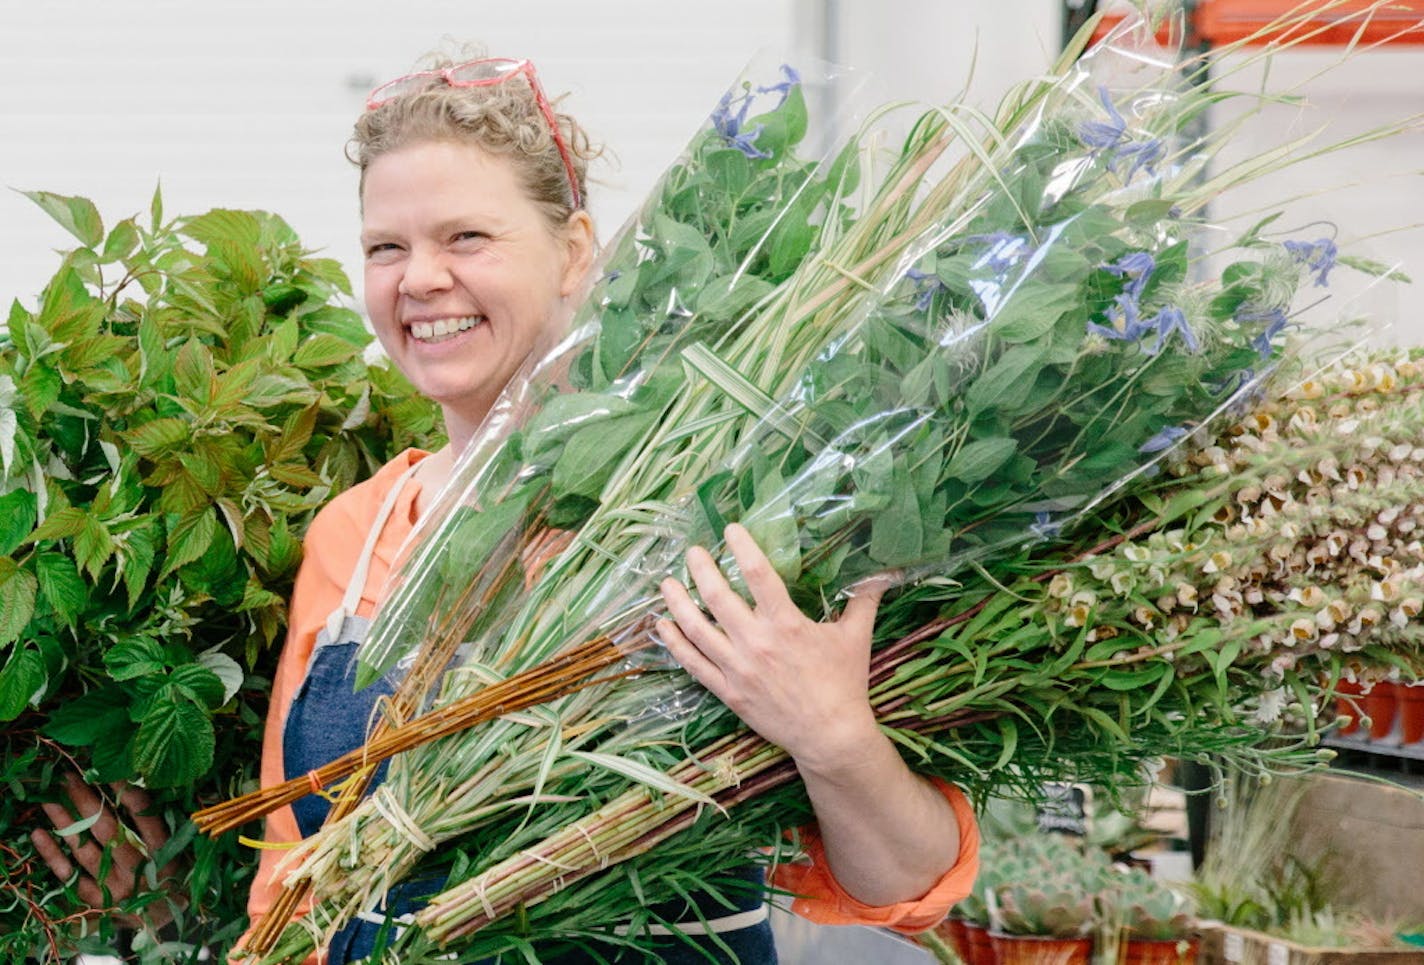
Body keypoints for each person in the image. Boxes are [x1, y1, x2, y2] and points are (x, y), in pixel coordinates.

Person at [47, 52, 982, 964]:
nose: (419, 279)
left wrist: (836, 738)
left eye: (466, 237)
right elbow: (292, 886)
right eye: (386, 247)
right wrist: (162, 919)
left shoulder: (708, 503)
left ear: (575, 252)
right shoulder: (354, 531)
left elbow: (910, 884)